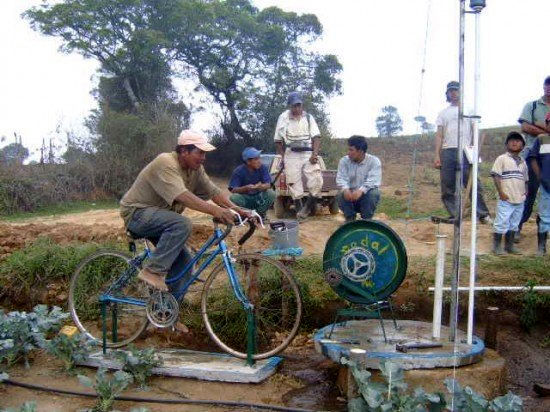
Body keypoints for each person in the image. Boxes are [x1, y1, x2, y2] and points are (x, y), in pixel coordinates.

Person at [120, 130, 250, 292]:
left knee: (185, 262)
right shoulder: (166, 163)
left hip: (160, 219)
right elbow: (182, 196)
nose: (203, 157)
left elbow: (213, 191)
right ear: (183, 151)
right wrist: (216, 211)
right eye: (200, 152)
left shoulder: (196, 169)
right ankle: (152, 271)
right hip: (137, 214)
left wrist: (238, 210)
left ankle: (165, 312)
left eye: (205, 153)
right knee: (182, 224)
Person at [434, 81, 491, 223]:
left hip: (466, 150)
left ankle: (482, 214)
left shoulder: (469, 110)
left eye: (456, 90)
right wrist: (437, 155)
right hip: (448, 150)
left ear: (461, 92)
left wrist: (474, 150)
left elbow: (475, 131)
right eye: (451, 91)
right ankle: (454, 214)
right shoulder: (443, 113)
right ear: (447, 94)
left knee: (472, 182)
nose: (453, 93)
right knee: (447, 184)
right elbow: (440, 135)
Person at [274, 91, 323, 220]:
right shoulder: (283, 118)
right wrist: (283, 157)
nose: (297, 108)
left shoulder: (308, 117)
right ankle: (300, 213)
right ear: (289, 106)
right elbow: (278, 141)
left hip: (308, 152)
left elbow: (316, 137)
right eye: (294, 105)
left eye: (299, 105)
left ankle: (306, 209)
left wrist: (315, 154)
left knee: (317, 181)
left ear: (302, 105)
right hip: (291, 152)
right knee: (294, 183)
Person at [515, 76, 550, 242]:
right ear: (543, 86)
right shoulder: (532, 106)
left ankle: (543, 232)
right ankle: (516, 227)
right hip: (533, 154)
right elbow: (525, 127)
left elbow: (531, 126)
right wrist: (545, 130)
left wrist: (539, 126)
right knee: (528, 193)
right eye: (547, 85)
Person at [490, 132, 528, 255]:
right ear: (506, 144)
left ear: (522, 146)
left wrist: (525, 193)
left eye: (518, 140)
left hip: (519, 199)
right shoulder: (502, 158)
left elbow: (525, 179)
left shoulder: (523, 162)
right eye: (511, 140)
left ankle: (509, 246)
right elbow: (496, 176)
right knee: (501, 221)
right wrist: (501, 192)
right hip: (506, 198)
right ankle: (496, 247)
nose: (514, 142)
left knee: (514, 223)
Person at [336, 135, 381, 221]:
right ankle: (350, 220)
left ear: (360, 151)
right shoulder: (344, 161)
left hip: (366, 196)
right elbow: (341, 178)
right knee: (340, 195)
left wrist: (361, 191)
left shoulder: (374, 161)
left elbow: (373, 180)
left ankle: (366, 220)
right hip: (350, 196)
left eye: (351, 150)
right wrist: (345, 190)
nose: (348, 152)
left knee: (373, 194)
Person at [228, 147, 275, 219]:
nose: (259, 161)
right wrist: (245, 188)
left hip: (258, 197)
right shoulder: (238, 171)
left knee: (271, 193)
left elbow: (268, 184)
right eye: (256, 159)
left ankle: (259, 215)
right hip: (244, 198)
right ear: (248, 162)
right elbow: (232, 189)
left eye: (259, 158)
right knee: (233, 198)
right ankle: (244, 214)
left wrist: (261, 186)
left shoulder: (263, 168)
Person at [527, 120, 550, 256]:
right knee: (545, 216)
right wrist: (540, 176)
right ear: (546, 124)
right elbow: (533, 158)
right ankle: (541, 248)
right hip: (547, 184)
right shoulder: (541, 139)